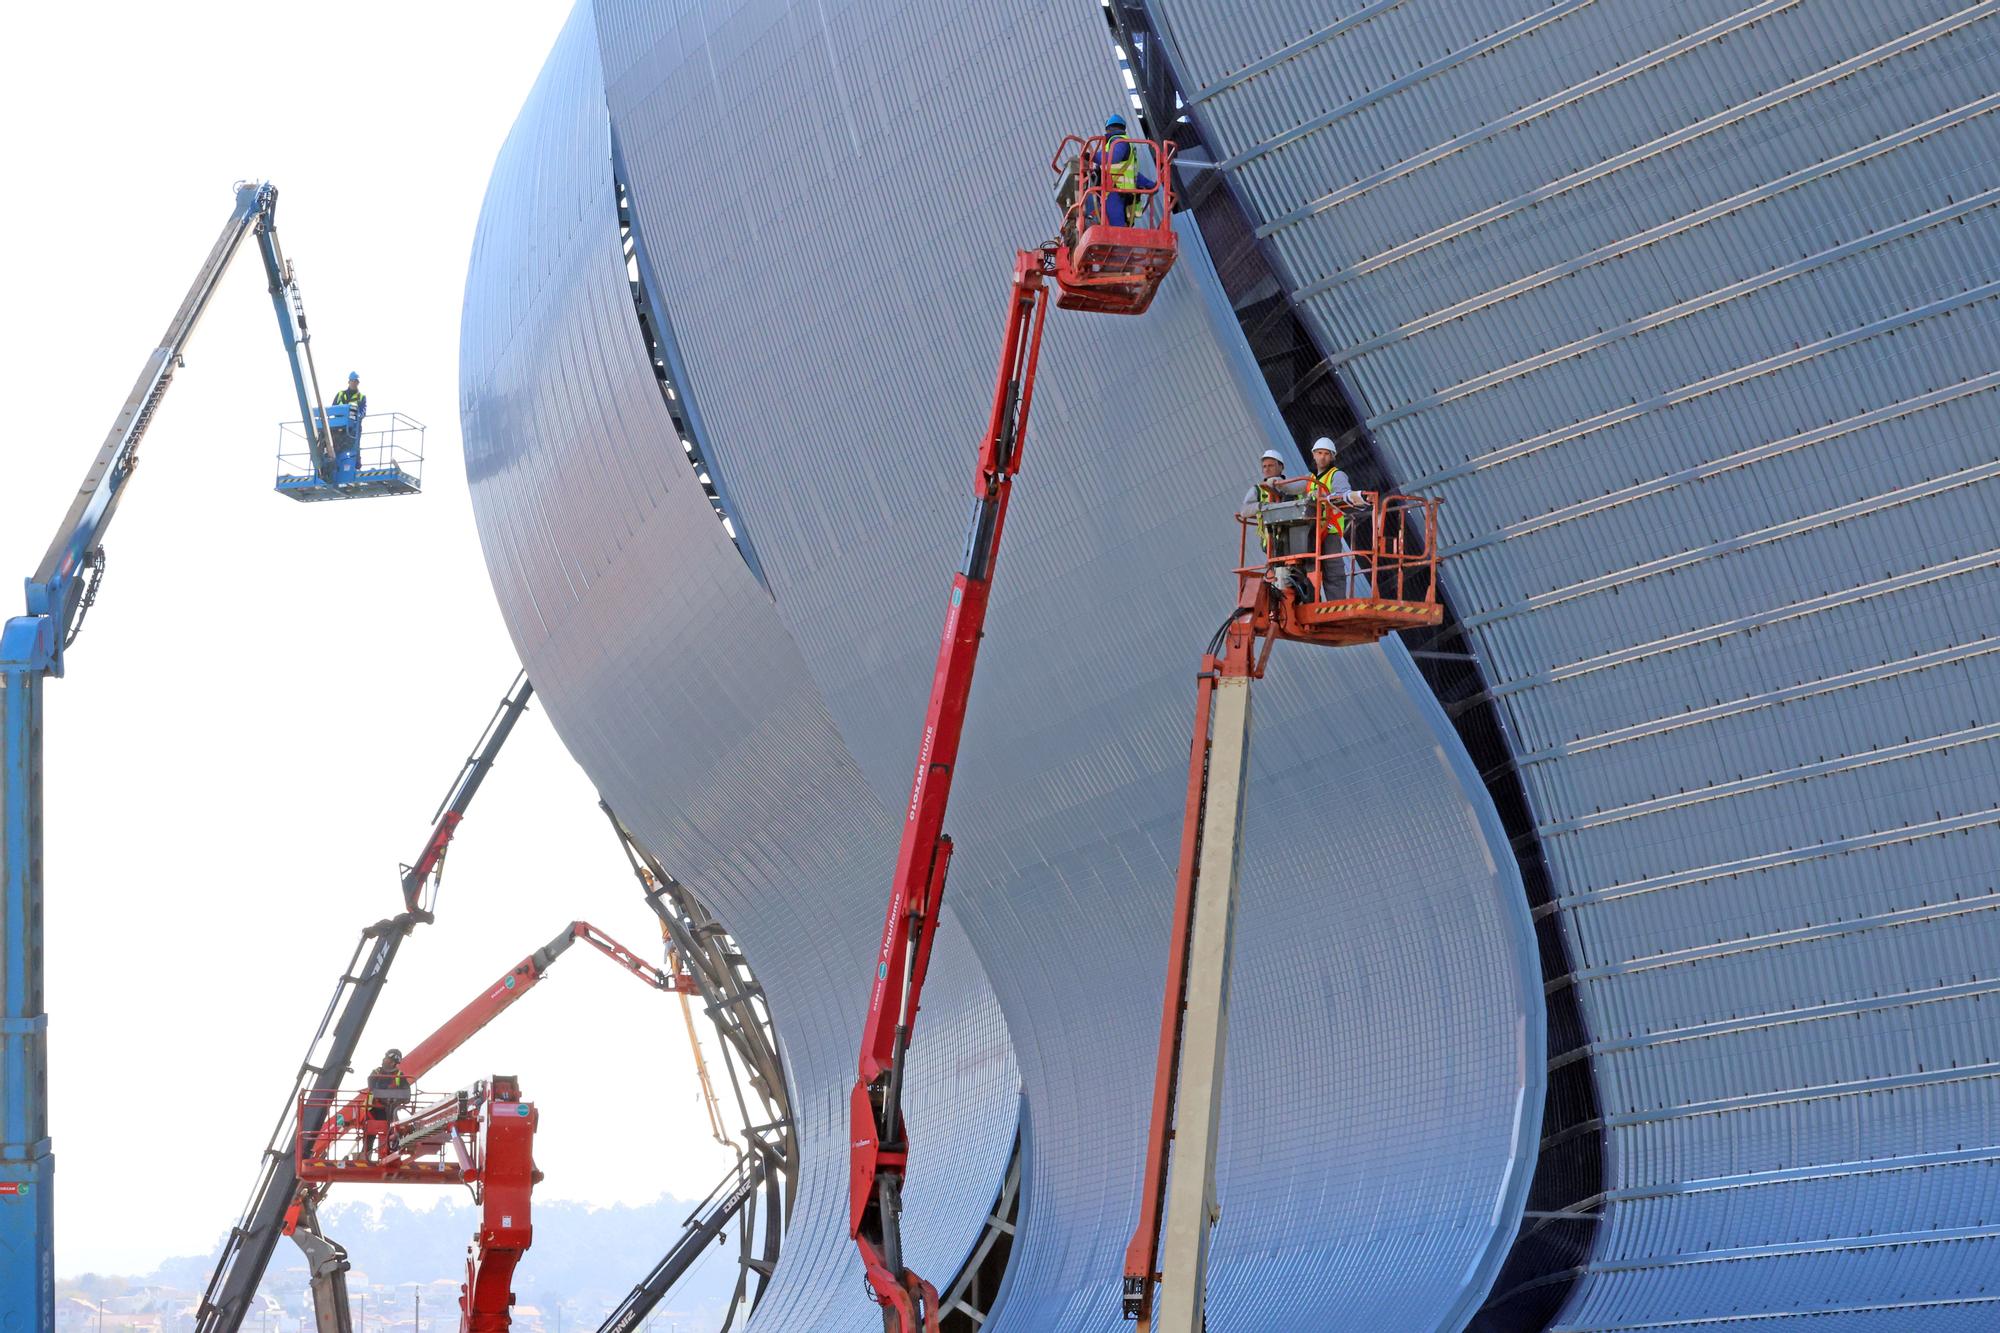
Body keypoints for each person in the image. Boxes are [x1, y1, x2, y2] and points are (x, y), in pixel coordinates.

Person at [1240, 449, 1313, 601]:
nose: (1267, 469)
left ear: (1281, 467)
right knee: (1278, 573)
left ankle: (1300, 598)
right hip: (1271, 543)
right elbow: (1244, 511)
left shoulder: (1292, 486)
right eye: (1264, 466)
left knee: (1298, 573)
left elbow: (1307, 492)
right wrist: (1262, 506)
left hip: (1294, 541)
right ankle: (1283, 599)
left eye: (1271, 466)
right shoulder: (1257, 490)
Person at [1304, 437, 1367, 597]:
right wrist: (1275, 483)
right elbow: (1292, 487)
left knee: (1333, 569)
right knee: (1310, 568)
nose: (1322, 457)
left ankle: (1335, 602)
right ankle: (1310, 601)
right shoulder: (1310, 479)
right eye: (1319, 453)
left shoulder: (1336, 476)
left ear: (1332, 457)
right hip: (1313, 531)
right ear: (1313, 455)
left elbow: (1343, 495)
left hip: (1330, 530)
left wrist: (1326, 495)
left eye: (1326, 454)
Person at [1095, 114, 1157, 228]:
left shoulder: (1118, 142)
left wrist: (1093, 157)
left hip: (1115, 191)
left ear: (1108, 129)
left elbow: (1114, 157)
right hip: (1122, 193)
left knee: (1116, 226)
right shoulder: (1124, 143)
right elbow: (1133, 174)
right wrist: (1150, 185)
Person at [363, 1047, 412, 1158]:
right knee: (369, 1135)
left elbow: (406, 1094)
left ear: (393, 1062)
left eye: (387, 1058)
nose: (384, 1060)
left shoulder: (399, 1075)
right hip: (373, 1109)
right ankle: (366, 1157)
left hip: (389, 1110)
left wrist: (395, 1100)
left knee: (389, 1134)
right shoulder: (377, 1072)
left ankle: (387, 1156)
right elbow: (372, 1086)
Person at [331, 372, 367, 472]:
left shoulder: (361, 397)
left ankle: (356, 467)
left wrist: (356, 417)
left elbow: (363, 411)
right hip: (339, 426)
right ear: (349, 381)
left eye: (356, 381)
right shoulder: (340, 394)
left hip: (354, 427)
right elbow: (333, 408)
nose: (354, 383)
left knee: (355, 446)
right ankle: (334, 466)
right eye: (353, 381)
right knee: (336, 445)